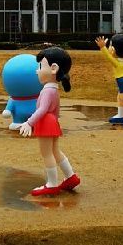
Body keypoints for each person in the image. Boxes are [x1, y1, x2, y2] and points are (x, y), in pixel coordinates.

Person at [19, 46, 80, 197]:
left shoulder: (47, 90)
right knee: (55, 151)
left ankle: (52, 184)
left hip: (46, 122)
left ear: (53, 68)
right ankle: (71, 176)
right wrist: (55, 123)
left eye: (40, 66)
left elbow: (42, 109)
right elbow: (56, 111)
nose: (37, 71)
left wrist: (29, 122)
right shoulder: (54, 89)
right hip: (52, 122)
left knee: (46, 153)